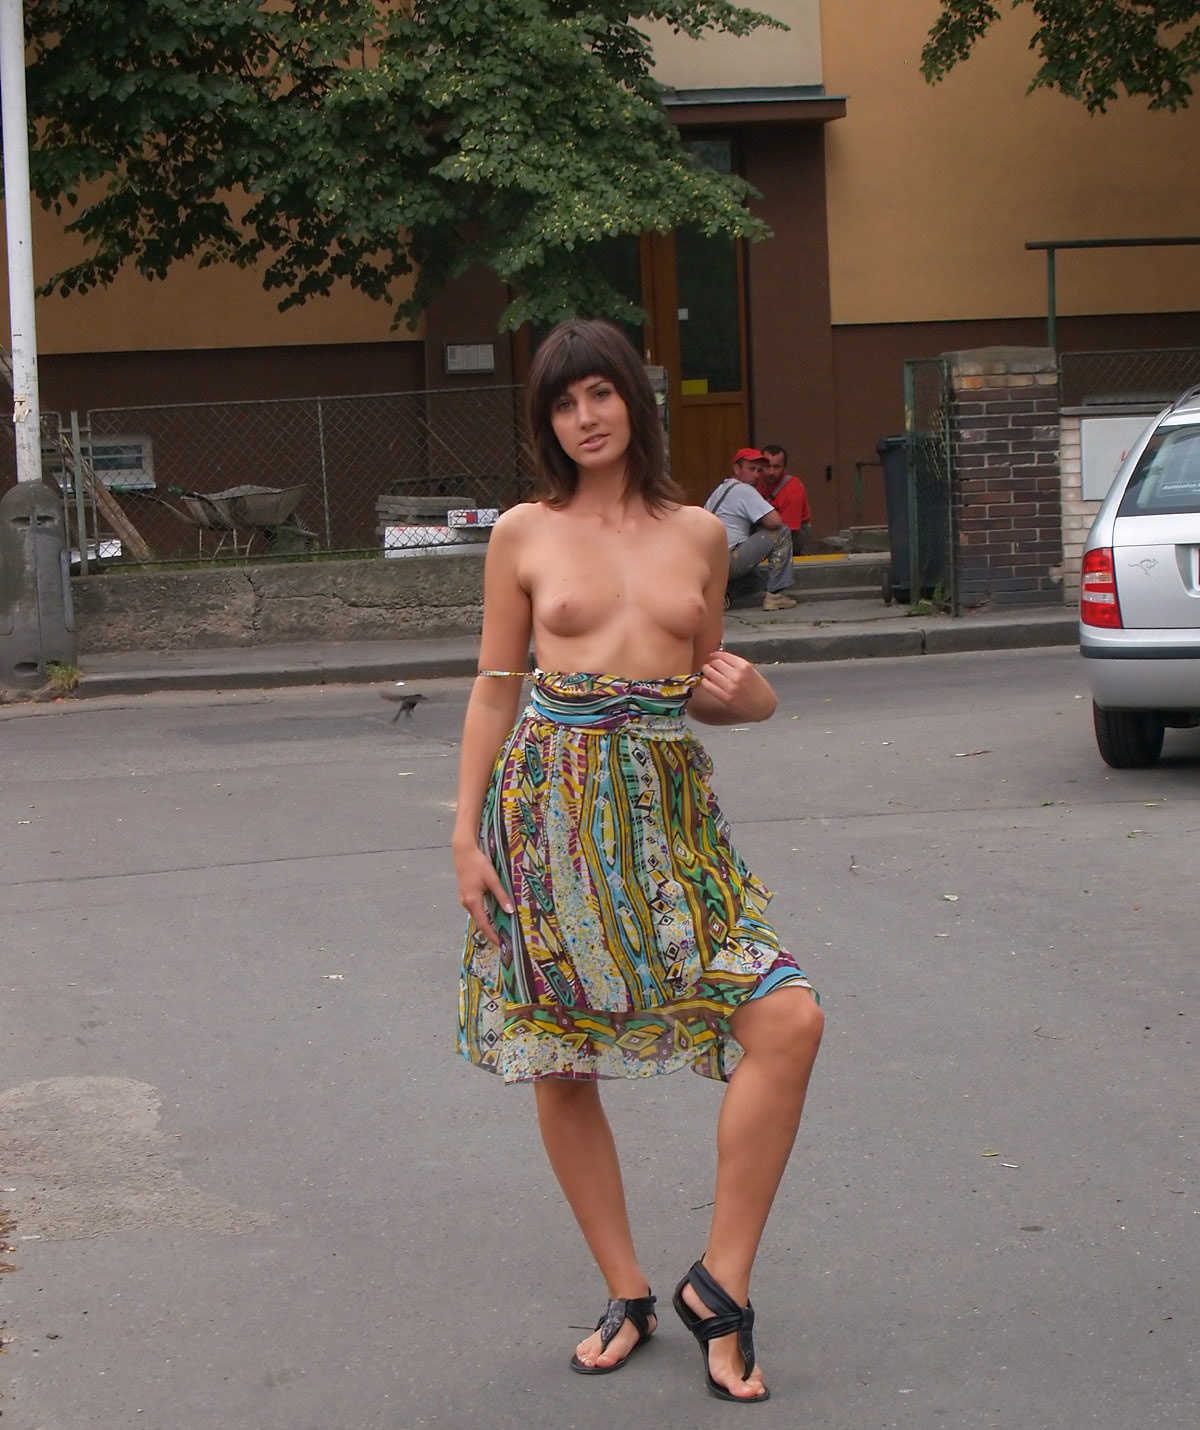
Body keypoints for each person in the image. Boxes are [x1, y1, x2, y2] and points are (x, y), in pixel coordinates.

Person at [453, 319, 823, 1405]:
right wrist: (465, 834)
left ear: (633, 401)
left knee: (787, 1018)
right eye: (565, 403)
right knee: (561, 1054)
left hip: (669, 815)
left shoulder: (700, 535)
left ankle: (721, 1282)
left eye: (602, 394)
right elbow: (493, 687)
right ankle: (626, 1289)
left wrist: (757, 700)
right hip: (548, 813)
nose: (586, 417)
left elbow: (712, 685)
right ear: (548, 422)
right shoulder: (523, 532)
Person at [704, 448, 797, 611]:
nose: (756, 475)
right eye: (751, 469)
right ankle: (776, 596)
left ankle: (722, 597)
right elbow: (775, 521)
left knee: (755, 577)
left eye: (759, 470)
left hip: (708, 563)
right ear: (736, 469)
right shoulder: (744, 490)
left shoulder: (720, 490)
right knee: (781, 532)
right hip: (727, 559)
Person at [757, 444, 812, 556]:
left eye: (776, 467)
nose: (771, 472)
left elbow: (788, 531)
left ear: (785, 468)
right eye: (767, 466)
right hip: (765, 527)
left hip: (792, 532)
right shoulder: (756, 481)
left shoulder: (793, 488)